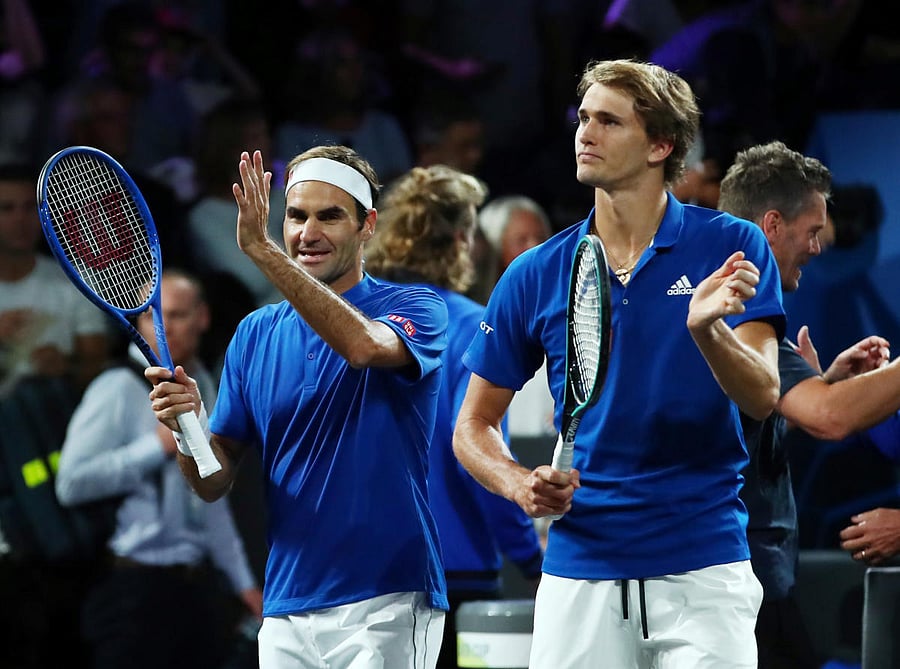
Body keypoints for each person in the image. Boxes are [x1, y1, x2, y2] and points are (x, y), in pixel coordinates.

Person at [453, 58, 785, 668]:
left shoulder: (732, 244)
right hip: (580, 572)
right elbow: (471, 426)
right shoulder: (535, 272)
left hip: (704, 568)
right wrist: (518, 483)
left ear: (661, 143)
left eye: (609, 121)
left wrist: (707, 329)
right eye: (583, 118)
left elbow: (763, 395)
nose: (586, 133)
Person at [146, 145, 449, 668]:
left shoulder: (416, 307)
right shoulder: (253, 335)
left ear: (367, 225)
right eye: (296, 216)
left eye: (330, 216)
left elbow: (364, 348)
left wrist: (265, 253)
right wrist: (188, 429)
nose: (308, 233)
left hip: (388, 596)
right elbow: (212, 482)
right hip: (287, 609)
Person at [716, 139, 900, 668]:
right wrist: (826, 396)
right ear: (772, 226)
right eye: (813, 232)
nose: (819, 248)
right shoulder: (743, 316)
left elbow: (738, 431)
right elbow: (831, 418)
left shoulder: (716, 303)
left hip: (752, 577)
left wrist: (826, 382)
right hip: (738, 577)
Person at [365, 165, 543, 669]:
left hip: (364, 578)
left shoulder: (351, 325)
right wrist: (530, 558)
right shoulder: (468, 324)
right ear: (463, 240)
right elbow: (475, 449)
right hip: (451, 573)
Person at [54, 269, 262, 669]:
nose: (166, 329)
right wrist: (157, 447)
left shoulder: (206, 386)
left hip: (193, 588)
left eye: (178, 315)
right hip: (130, 588)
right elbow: (71, 483)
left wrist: (244, 584)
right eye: (154, 317)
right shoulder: (116, 387)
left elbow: (212, 498)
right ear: (137, 321)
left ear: (202, 318)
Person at [0, 162, 109, 396]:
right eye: (7, 208)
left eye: (30, 207)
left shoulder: (76, 279)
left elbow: (98, 366)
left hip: (52, 407)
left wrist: (66, 366)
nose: (21, 219)